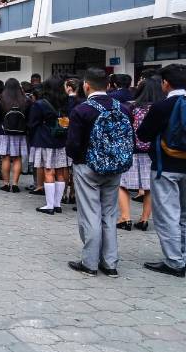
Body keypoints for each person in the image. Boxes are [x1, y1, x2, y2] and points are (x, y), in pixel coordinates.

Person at [136, 64, 186, 277]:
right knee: (184, 215)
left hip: (166, 167)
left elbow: (144, 134)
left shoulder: (161, 107)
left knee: (167, 215)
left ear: (165, 83)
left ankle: (174, 262)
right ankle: (183, 257)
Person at [66, 68, 133, 277]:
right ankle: (110, 263)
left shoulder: (81, 110)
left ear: (86, 85)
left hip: (88, 166)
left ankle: (90, 263)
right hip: (115, 167)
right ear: (108, 85)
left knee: (90, 214)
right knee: (109, 214)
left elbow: (73, 144)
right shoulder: (123, 108)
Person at [118, 77, 163, 231]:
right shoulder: (160, 109)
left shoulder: (130, 108)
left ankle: (125, 218)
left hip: (131, 150)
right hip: (152, 152)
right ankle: (144, 219)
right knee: (149, 186)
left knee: (122, 184)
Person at [29, 77, 72, 215]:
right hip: (62, 140)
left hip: (45, 139)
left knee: (49, 171)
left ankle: (49, 205)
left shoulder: (41, 104)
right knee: (60, 171)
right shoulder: (67, 102)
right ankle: (57, 204)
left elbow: (32, 123)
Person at [0, 78, 29, 192]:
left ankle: (6, 183)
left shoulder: (0, 100)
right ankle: (16, 184)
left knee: (5, 157)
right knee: (17, 158)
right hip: (20, 133)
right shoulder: (25, 100)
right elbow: (28, 117)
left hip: (4, 132)